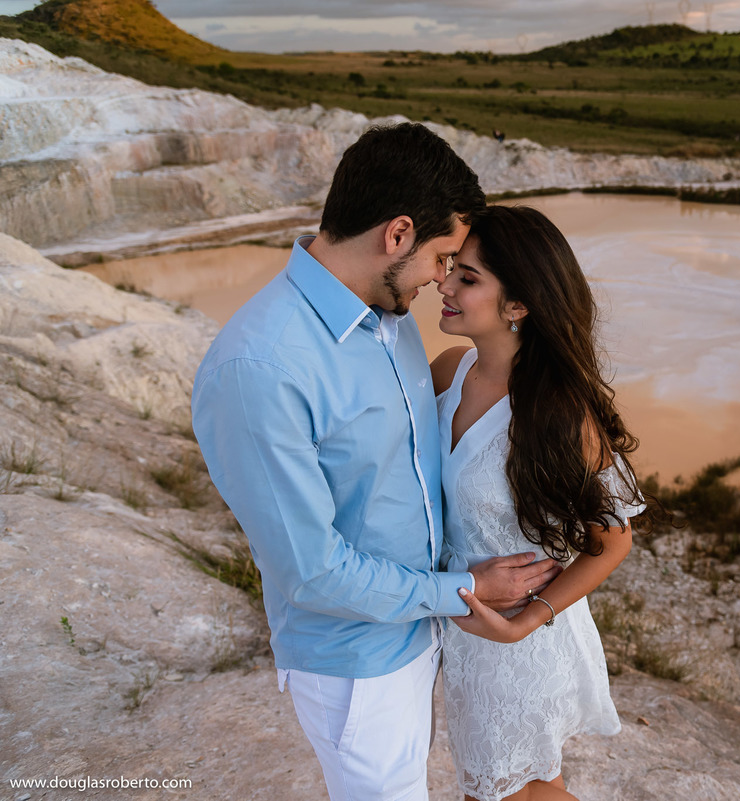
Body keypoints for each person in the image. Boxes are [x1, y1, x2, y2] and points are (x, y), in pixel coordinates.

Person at [191, 124, 560, 801]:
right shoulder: (262, 365)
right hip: (356, 666)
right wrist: (461, 588)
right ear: (396, 235)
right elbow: (312, 569)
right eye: (442, 255)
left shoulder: (385, 319)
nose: (443, 277)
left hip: (416, 635)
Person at [429, 205, 646, 801]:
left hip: (520, 640)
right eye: (450, 268)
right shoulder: (450, 371)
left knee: (510, 793)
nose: (443, 284)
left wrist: (525, 622)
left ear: (519, 304)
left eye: (468, 278)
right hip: (461, 625)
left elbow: (614, 538)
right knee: (505, 791)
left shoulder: (558, 413)